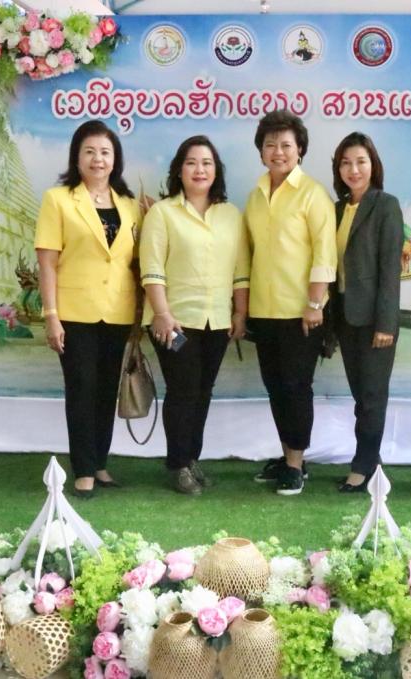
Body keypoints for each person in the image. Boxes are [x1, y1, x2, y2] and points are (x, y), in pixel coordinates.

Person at [35, 120, 141, 499]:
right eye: (90, 152)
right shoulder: (58, 199)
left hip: (118, 312)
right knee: (81, 389)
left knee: (106, 391)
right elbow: (47, 262)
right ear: (77, 157)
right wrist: (51, 316)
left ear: (116, 159)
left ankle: (99, 463)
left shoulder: (130, 205)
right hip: (74, 313)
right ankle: (82, 470)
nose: (98, 159)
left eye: (106, 152)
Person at [140, 136, 250, 494]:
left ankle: (191, 459)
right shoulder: (162, 213)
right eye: (191, 162)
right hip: (174, 322)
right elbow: (151, 269)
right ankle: (177, 464)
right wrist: (161, 313)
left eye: (206, 163)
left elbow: (241, 271)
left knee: (203, 391)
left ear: (216, 171)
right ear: (179, 170)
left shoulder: (230, 215)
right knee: (183, 389)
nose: (199, 169)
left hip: (216, 321)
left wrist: (240, 312)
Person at [245, 109, 337, 496]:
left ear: (300, 150)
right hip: (263, 311)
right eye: (271, 145)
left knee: (297, 387)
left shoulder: (313, 194)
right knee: (276, 387)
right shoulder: (255, 195)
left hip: (302, 313)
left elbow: (325, 254)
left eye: (286, 145)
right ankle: (287, 456)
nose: (278, 152)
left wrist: (315, 305)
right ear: (261, 151)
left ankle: (297, 465)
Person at [329, 132, 404, 492]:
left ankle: (362, 467)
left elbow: (390, 269)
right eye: (346, 163)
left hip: (376, 320)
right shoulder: (337, 209)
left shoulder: (385, 205)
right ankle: (371, 461)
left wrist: (386, 323)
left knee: (373, 396)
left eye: (360, 161)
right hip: (346, 316)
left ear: (373, 165)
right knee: (361, 395)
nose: (353, 170)